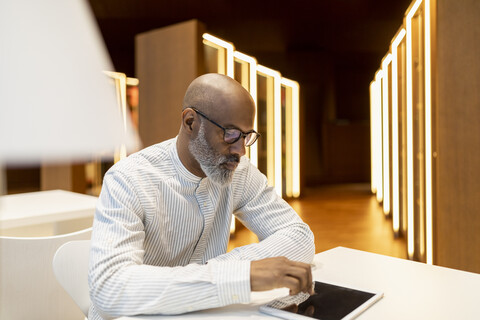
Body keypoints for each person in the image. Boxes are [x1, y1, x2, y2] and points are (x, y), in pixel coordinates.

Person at [88, 73, 315, 320]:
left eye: (246, 136)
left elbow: (300, 238)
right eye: (230, 134)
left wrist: (219, 275)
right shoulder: (128, 179)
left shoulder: (239, 172)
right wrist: (242, 275)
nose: (240, 150)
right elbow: (109, 288)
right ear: (190, 122)